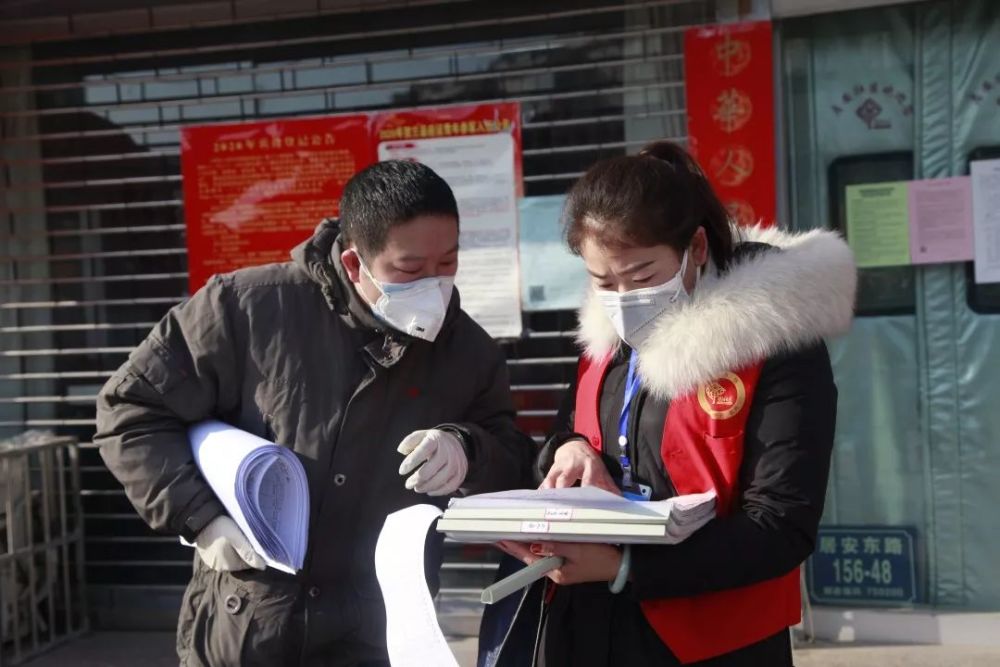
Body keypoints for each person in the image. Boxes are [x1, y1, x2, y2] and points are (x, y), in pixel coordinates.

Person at [95, 160, 535, 667]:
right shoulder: (247, 310)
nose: (434, 285)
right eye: (411, 270)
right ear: (354, 264)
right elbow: (129, 410)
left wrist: (468, 449)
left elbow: (512, 457)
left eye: (448, 263)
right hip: (247, 627)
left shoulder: (469, 352)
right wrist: (200, 517)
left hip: (380, 633)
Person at [483, 141, 856, 666]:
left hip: (714, 642)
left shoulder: (774, 342)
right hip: (586, 630)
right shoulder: (605, 341)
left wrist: (623, 567)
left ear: (696, 248)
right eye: (603, 282)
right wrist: (570, 451)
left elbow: (781, 525)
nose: (623, 298)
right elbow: (567, 431)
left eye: (642, 276)